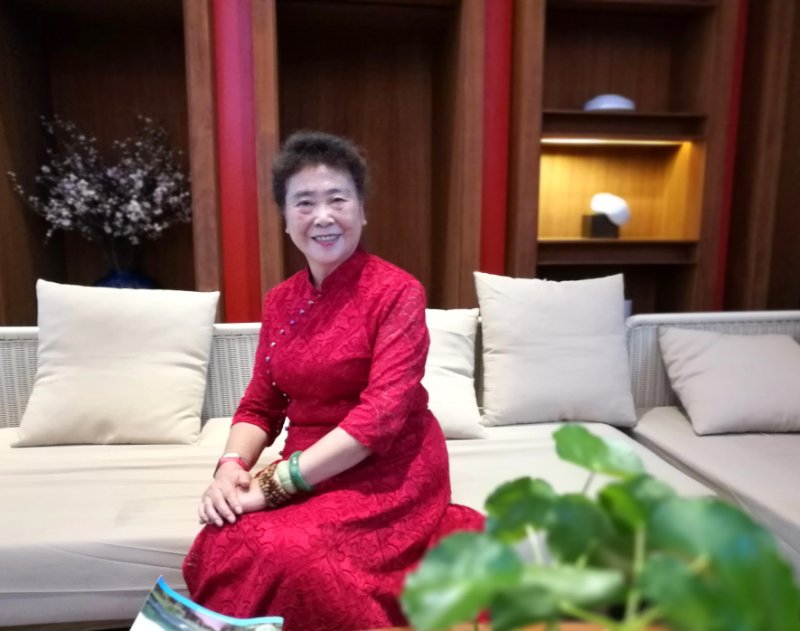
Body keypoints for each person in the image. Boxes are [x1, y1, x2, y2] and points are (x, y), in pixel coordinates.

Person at [182, 130, 484, 631]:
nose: (322, 216)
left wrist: (275, 485)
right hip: (308, 459)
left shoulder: (398, 292)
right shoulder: (281, 300)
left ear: (362, 211)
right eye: (304, 203)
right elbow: (260, 404)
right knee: (220, 537)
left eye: (338, 199)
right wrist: (231, 468)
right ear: (286, 219)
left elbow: (379, 418)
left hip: (390, 469)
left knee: (295, 558)